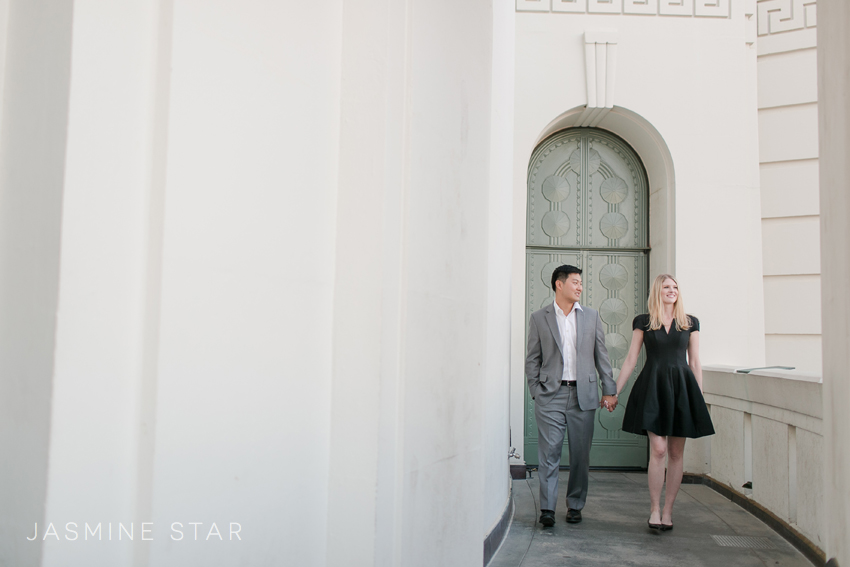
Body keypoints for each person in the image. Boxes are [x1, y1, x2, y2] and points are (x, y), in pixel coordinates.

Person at [611, 274, 715, 531]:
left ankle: (668, 511)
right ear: (658, 291)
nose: (672, 291)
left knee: (676, 453)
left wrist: (698, 398)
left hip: (682, 389)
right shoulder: (644, 322)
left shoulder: (690, 323)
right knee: (658, 450)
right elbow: (631, 359)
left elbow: (695, 361)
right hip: (653, 387)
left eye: (675, 287)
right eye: (667, 287)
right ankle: (654, 509)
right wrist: (614, 392)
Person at [525, 265, 618, 526]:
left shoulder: (591, 316)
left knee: (580, 455)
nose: (579, 287)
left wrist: (609, 389)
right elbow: (532, 359)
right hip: (550, 396)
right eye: (575, 282)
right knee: (549, 453)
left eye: (580, 283)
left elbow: (602, 356)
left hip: (583, 395)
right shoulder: (539, 318)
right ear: (559, 284)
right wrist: (536, 391)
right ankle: (547, 509)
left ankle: (575, 505)